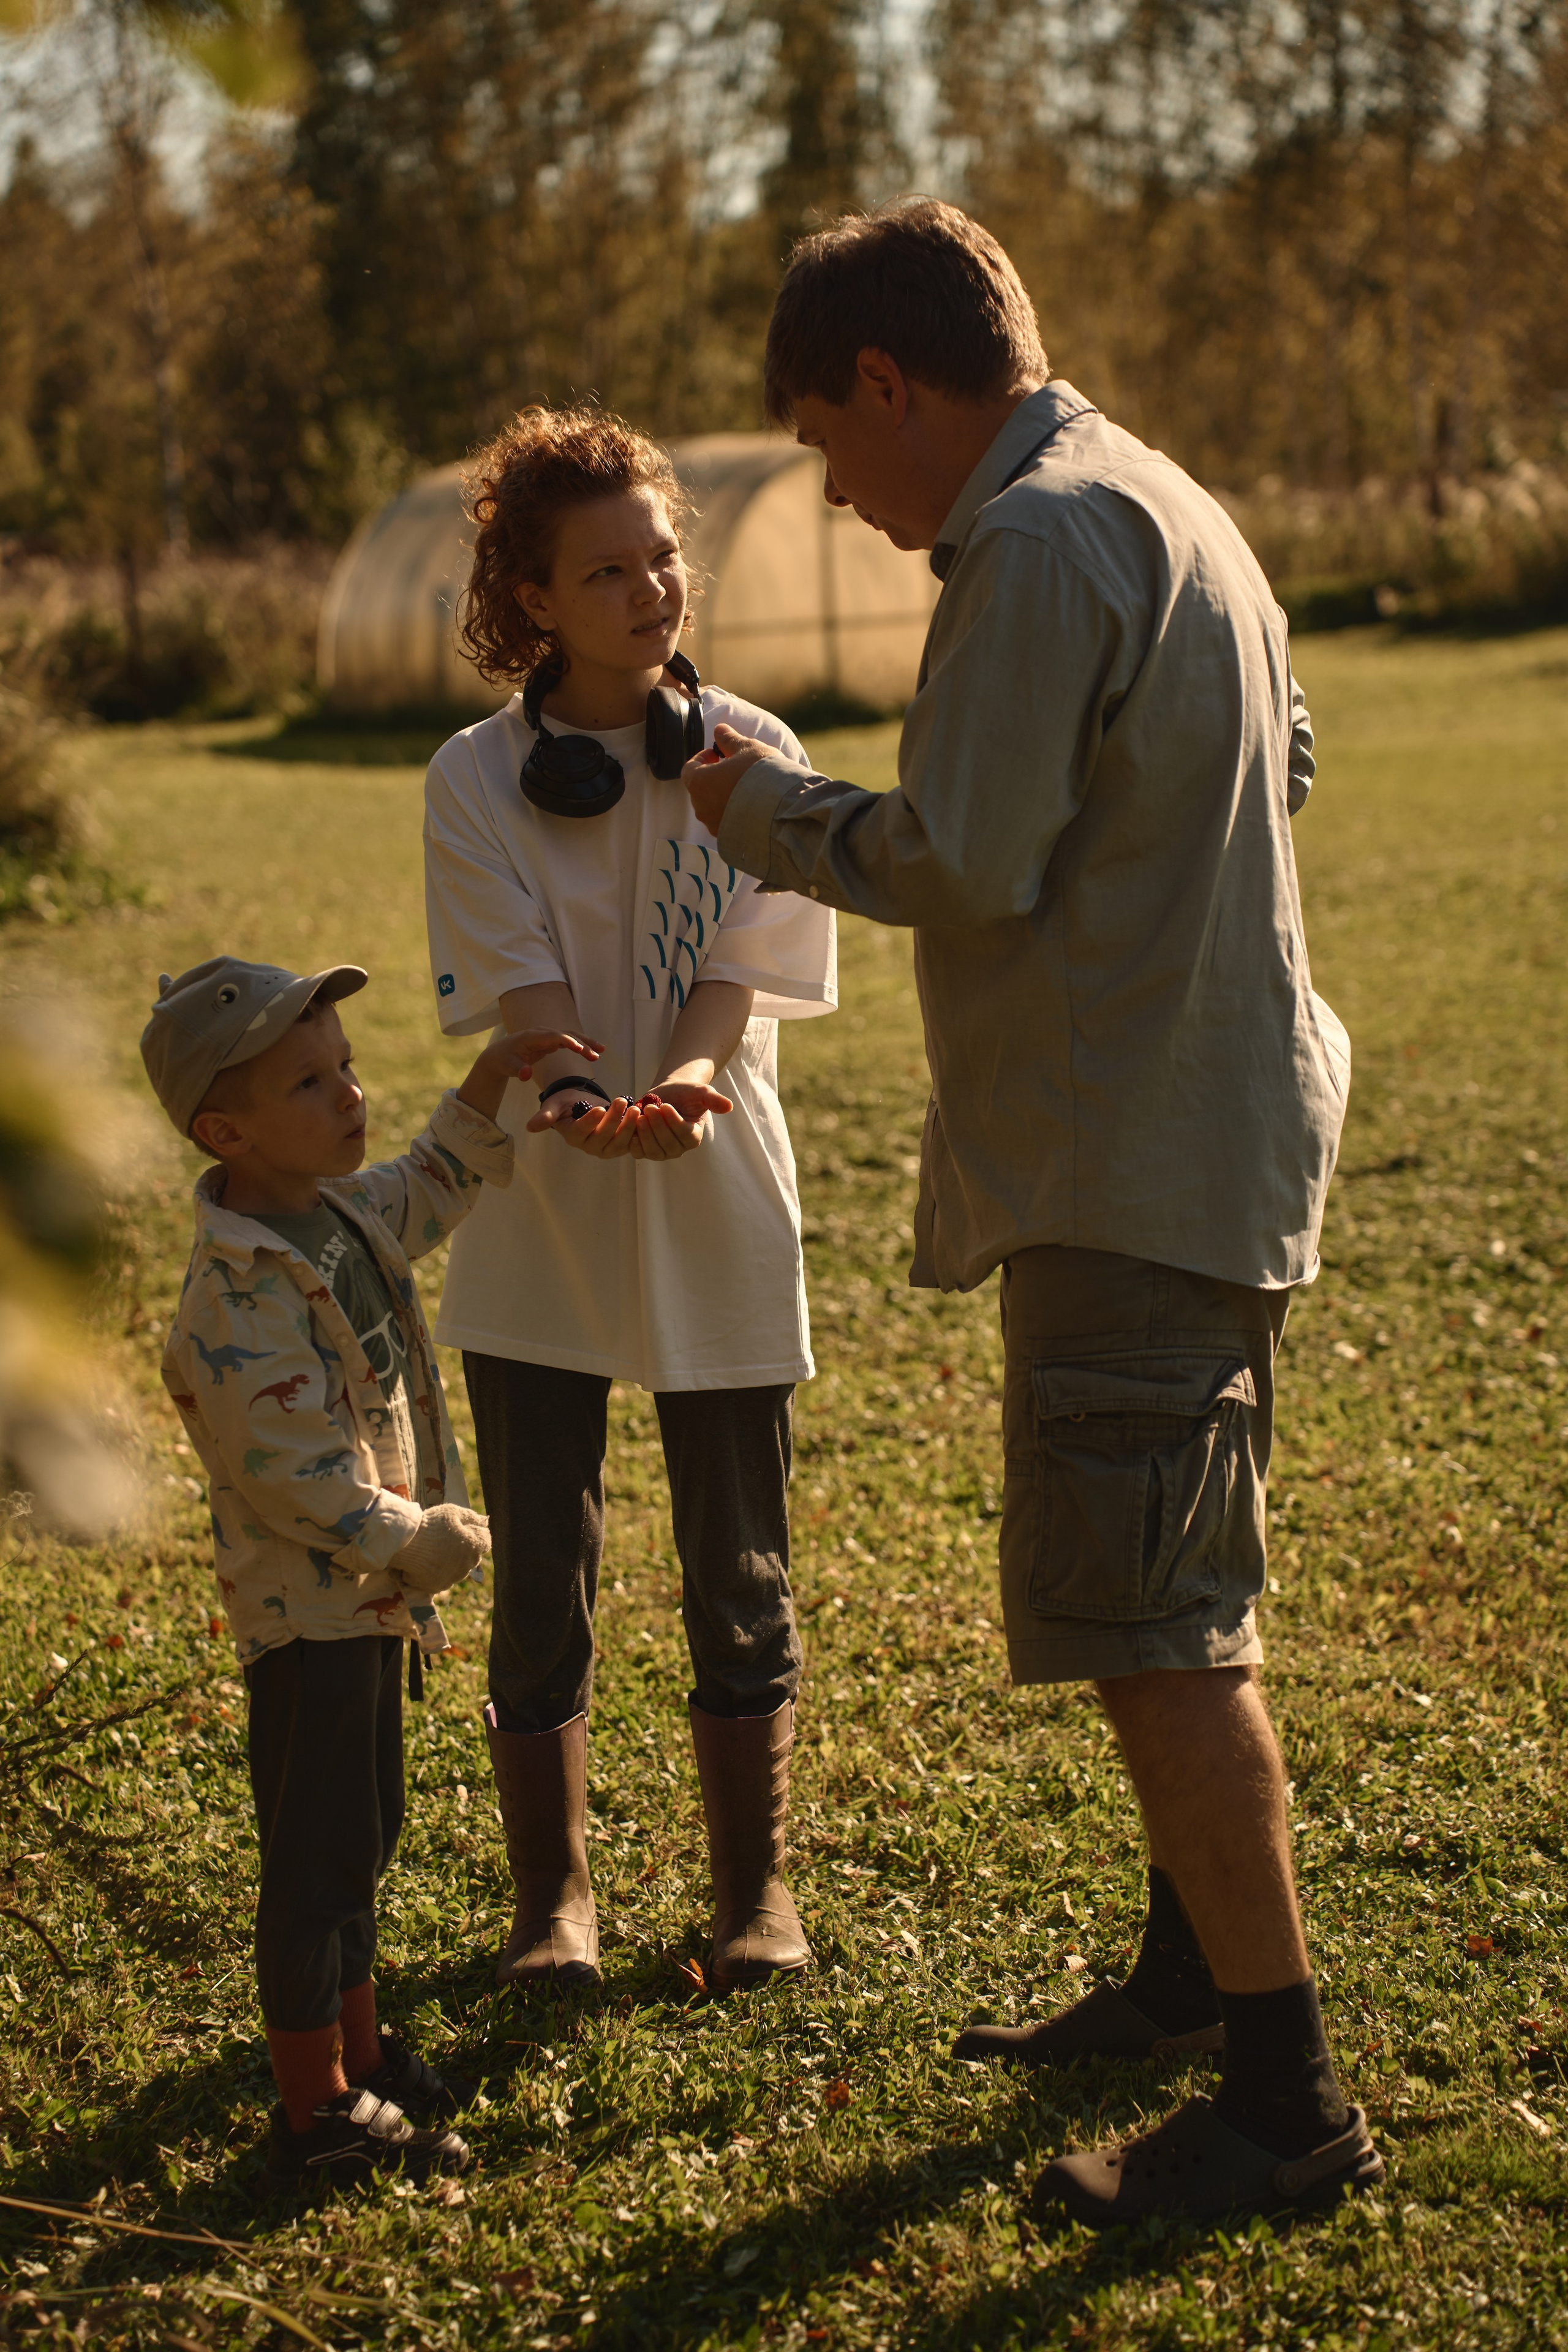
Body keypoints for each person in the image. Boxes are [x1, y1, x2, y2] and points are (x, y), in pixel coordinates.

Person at [684, 200, 1383, 2226]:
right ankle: (1184, 1988)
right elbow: (1294, 753)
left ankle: (1284, 2100)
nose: (836, 489)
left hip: (1131, 1151)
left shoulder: (1029, 539)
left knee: (1161, 1630)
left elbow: (968, 858)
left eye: (829, 441)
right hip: (1211, 1123)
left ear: (893, 384)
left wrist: (764, 815)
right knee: (1152, 1581)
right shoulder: (1166, 500)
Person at [423, 405, 837, 1996]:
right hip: (542, 1204)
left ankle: (756, 1902)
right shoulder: (474, 780)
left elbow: (743, 971)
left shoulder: (756, 757)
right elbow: (519, 994)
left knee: (741, 1571)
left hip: (715, 1186)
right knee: (540, 1579)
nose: (652, 588)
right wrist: (584, 1096)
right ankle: (556, 1912)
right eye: (608, 570)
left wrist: (689, 1089)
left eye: (663, 555)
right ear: (530, 598)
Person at [141, 954, 596, 2190]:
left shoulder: (334, 1217)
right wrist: (408, 1539)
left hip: (368, 1610)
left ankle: (357, 2060)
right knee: (318, 1860)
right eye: (310, 1081)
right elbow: (290, 1469)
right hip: (312, 1616)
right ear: (226, 1130)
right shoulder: (230, 1295)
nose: (349, 1095)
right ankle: (311, 2115)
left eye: (345, 1067)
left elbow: (432, 1185)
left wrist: (493, 1078)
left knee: (363, 1837)